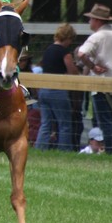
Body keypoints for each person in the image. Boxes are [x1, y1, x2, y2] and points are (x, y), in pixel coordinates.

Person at [77, 3, 112, 154]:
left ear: (98, 21)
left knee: (105, 122)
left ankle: (111, 152)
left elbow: (81, 54)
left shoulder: (97, 37)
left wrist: (92, 67)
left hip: (102, 85)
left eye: (91, 19)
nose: (89, 22)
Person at [35, 23, 79, 151]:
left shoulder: (48, 49)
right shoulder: (64, 52)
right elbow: (72, 71)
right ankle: (65, 150)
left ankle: (40, 148)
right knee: (64, 124)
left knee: (46, 123)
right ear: (68, 38)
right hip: (57, 91)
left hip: (44, 90)